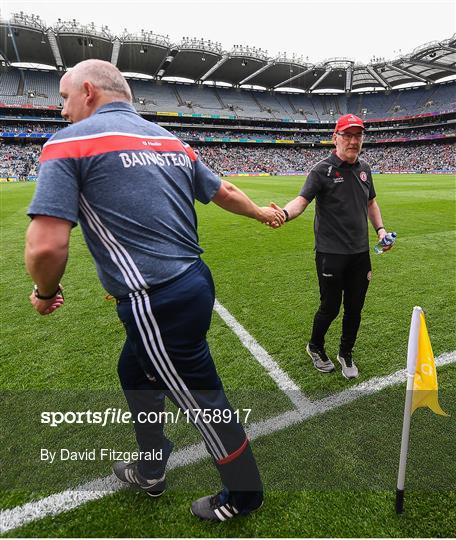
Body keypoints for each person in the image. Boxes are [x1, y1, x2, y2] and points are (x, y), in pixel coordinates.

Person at [25, 59, 285, 521]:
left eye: (64, 98)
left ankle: (245, 494)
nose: (61, 110)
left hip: (154, 300)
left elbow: (46, 246)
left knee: (202, 399)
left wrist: (45, 294)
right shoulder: (167, 140)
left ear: (88, 91)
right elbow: (222, 191)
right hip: (194, 283)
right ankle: (151, 465)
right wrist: (261, 214)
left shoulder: (68, 143)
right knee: (134, 370)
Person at [270, 114, 393, 379]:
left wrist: (380, 230)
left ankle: (345, 353)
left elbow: (371, 202)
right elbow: (301, 201)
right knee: (330, 307)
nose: (353, 141)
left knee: (355, 308)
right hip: (331, 254)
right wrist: (283, 213)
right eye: (347, 136)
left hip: (360, 254)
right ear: (335, 138)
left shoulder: (365, 169)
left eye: (357, 136)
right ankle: (315, 346)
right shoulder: (322, 170)